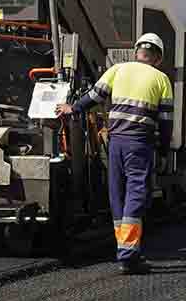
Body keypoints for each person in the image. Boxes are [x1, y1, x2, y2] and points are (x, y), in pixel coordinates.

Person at [55, 33, 173, 275]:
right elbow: (166, 122)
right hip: (140, 143)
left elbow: (93, 97)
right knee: (136, 193)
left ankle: (124, 247)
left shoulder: (118, 70)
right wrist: (162, 151)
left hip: (116, 141)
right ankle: (129, 253)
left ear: (137, 50)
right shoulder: (162, 80)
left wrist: (72, 108)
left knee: (117, 194)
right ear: (158, 58)